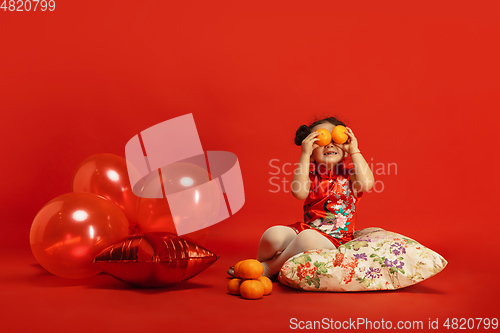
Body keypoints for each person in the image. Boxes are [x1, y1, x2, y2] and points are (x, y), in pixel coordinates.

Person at [228, 116, 374, 278]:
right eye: (322, 140)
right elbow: (299, 192)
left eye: (335, 139)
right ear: (312, 151)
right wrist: (305, 155)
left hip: (335, 240)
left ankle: (269, 269)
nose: (330, 144)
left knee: (307, 238)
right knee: (273, 234)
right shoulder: (310, 176)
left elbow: (367, 184)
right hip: (307, 230)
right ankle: (254, 266)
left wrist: (354, 149)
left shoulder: (350, 176)